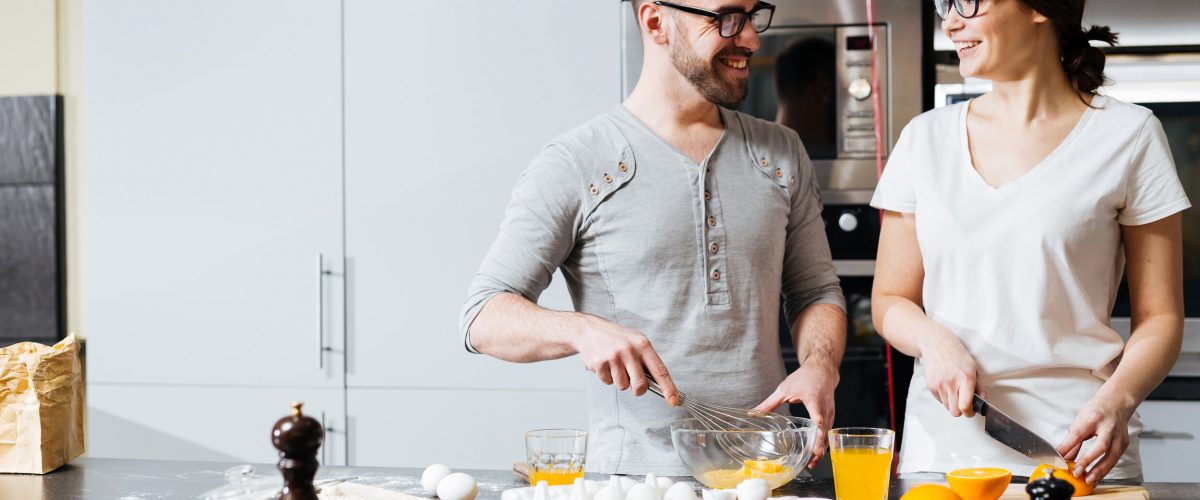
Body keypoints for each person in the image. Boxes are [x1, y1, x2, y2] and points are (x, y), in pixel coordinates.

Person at [460, 0, 847, 475]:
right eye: (727, 17)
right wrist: (583, 331)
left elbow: (816, 292)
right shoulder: (577, 161)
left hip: (769, 472)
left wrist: (820, 364)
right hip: (636, 481)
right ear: (655, 21)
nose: (750, 37)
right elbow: (483, 317)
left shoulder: (782, 151)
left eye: (753, 15)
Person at [871, 0, 1190, 484]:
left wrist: (1119, 400)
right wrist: (933, 341)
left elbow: (1162, 316)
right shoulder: (924, 139)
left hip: (1082, 452)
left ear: (1039, 8)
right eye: (944, 4)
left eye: (968, 2)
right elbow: (891, 299)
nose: (950, 22)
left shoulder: (1129, 135)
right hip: (944, 453)